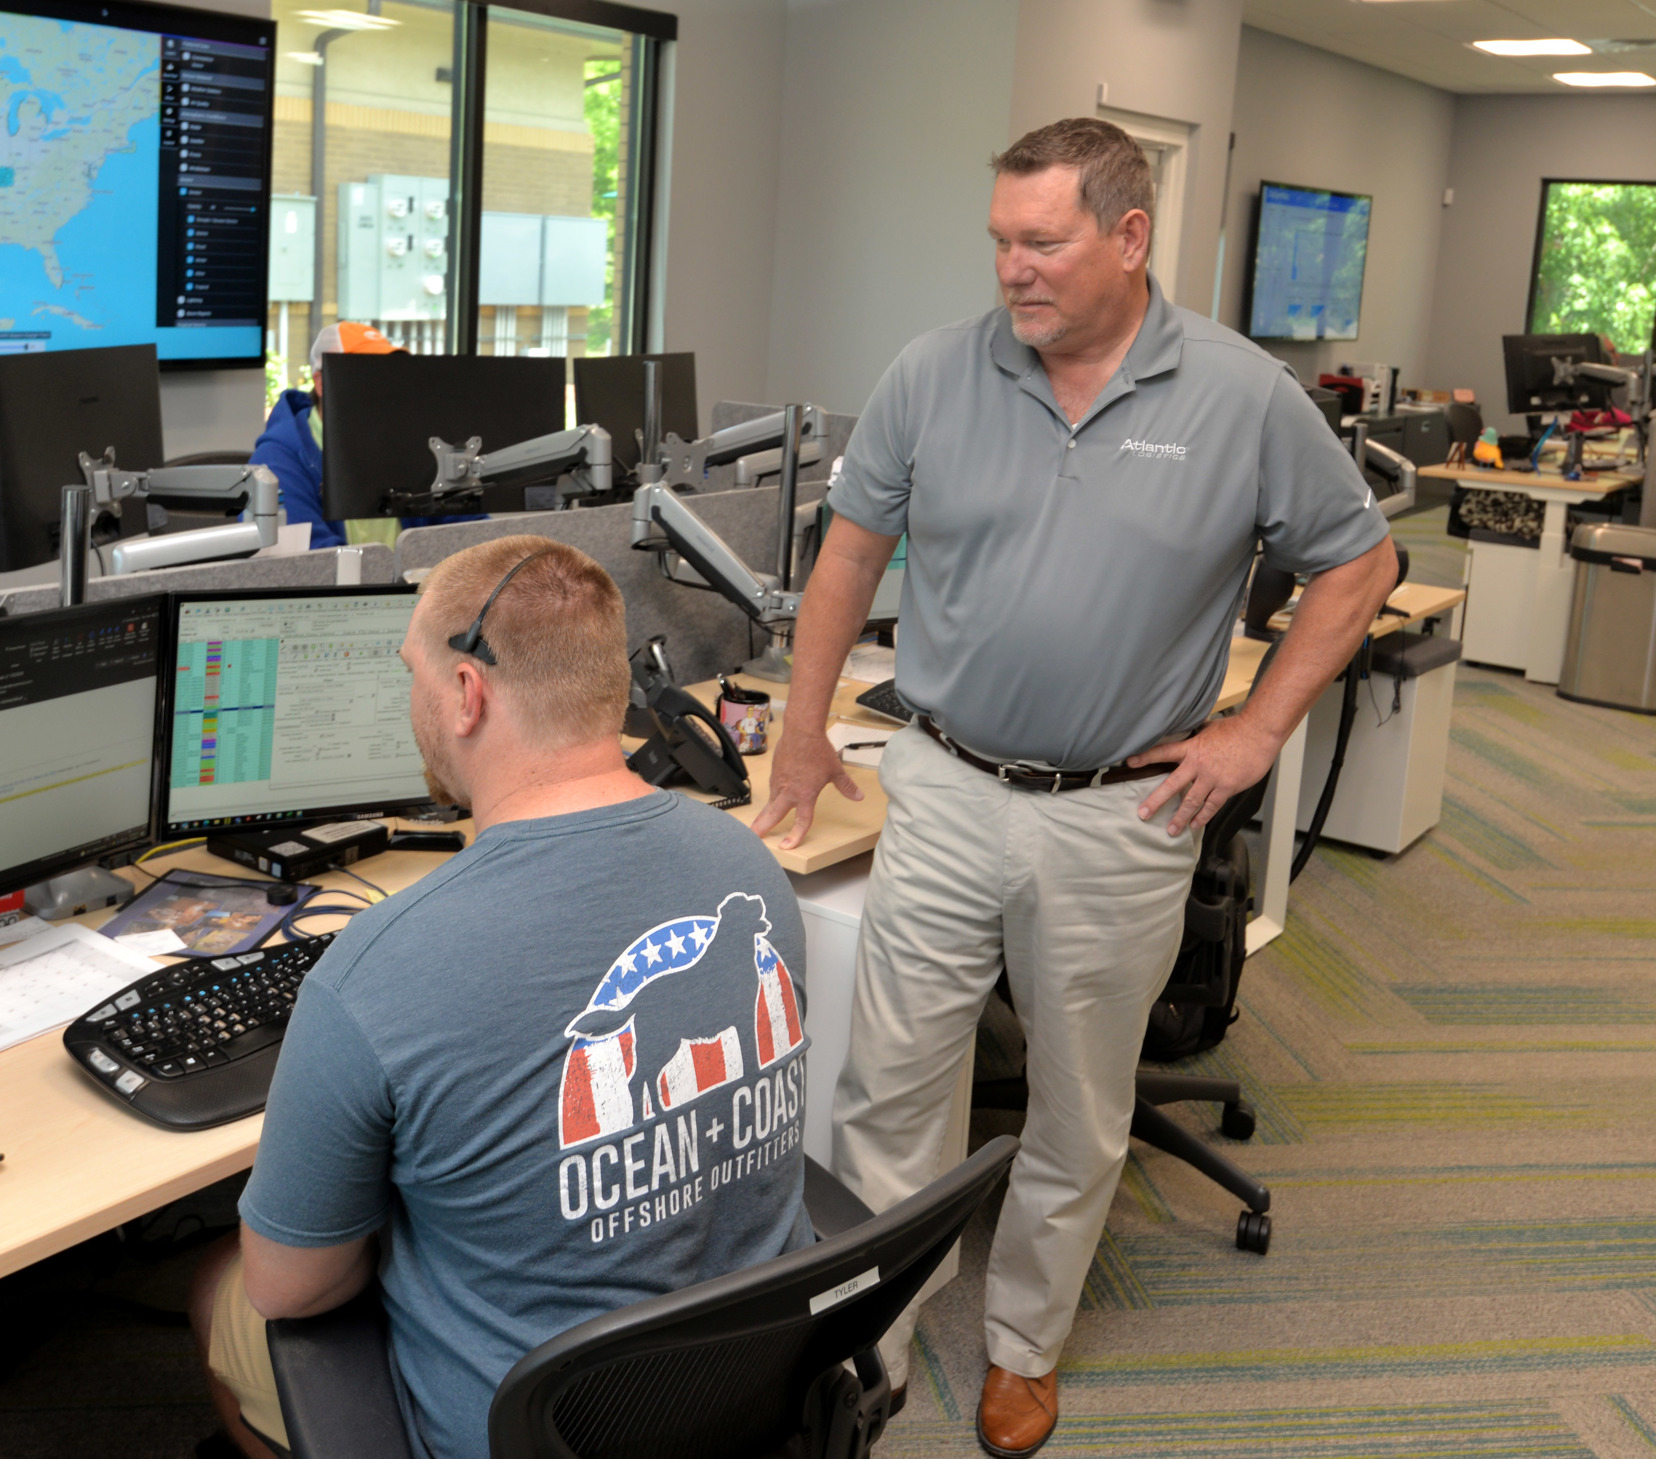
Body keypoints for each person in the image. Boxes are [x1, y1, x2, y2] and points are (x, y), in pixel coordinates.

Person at [751, 117, 1398, 1458]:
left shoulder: (1239, 395)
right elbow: (849, 557)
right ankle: (867, 1341)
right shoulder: (935, 372)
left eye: (1041, 240)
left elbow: (1358, 566)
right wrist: (804, 727)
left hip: (1122, 809)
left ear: (1128, 236)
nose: (1013, 269)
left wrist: (1256, 732)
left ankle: (1024, 1344)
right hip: (940, 779)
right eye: (999, 240)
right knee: (891, 1084)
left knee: (1080, 1098)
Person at [191, 535, 815, 1459]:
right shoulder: (750, 870)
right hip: (749, 1389)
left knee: (217, 1284)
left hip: (529, 1434)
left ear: (467, 694)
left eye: (414, 673)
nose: (412, 701)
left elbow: (291, 1288)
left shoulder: (375, 972)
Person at [250, 321, 484, 549]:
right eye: (363, 372)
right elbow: (306, 559)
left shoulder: (408, 446)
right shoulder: (276, 459)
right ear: (321, 384)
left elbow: (466, 530)